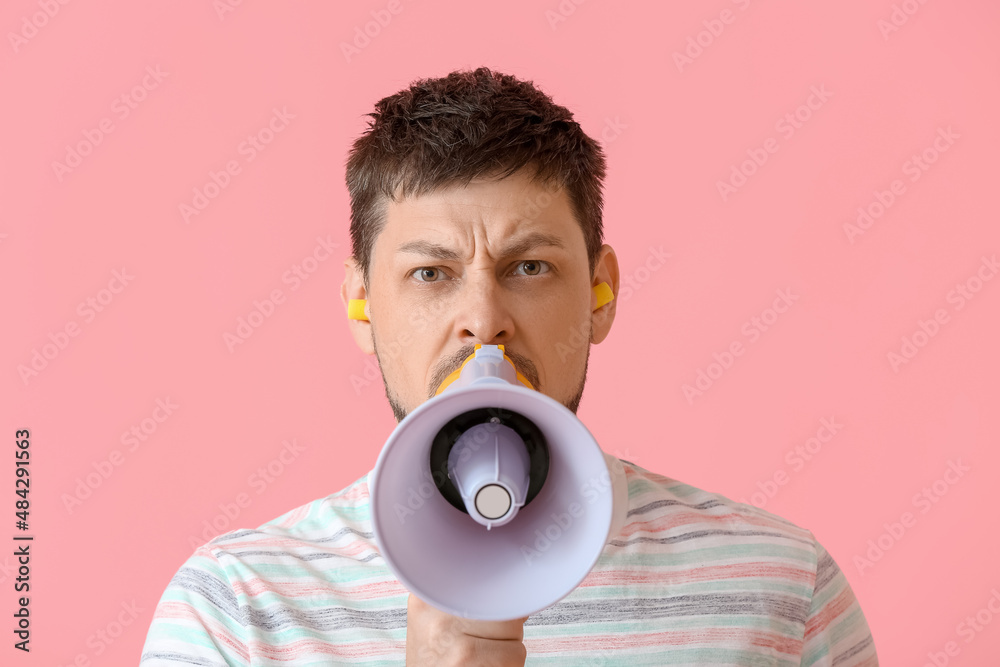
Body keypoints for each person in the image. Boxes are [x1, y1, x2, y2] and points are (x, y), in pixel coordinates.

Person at [140, 66, 879, 665]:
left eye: (528, 266)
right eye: (431, 273)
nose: (485, 318)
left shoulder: (781, 587)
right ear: (362, 305)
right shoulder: (236, 608)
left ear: (601, 292)